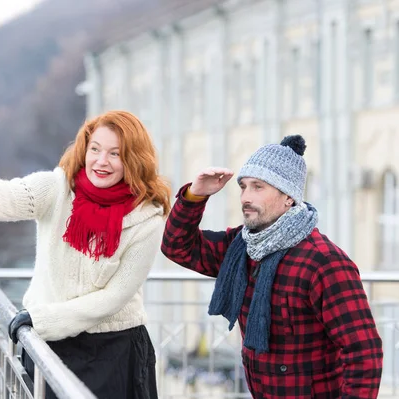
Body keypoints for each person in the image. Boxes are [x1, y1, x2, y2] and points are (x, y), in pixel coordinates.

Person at [0, 110, 170, 399]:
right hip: (49, 344)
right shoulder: (58, 188)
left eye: (116, 154)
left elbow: (115, 296)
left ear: (134, 160)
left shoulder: (146, 217)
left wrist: (43, 319)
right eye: (95, 149)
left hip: (114, 348)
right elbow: (12, 197)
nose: (101, 161)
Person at [161, 135, 383, 398]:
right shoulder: (240, 247)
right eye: (243, 186)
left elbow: (364, 352)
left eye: (258, 187)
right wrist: (195, 196)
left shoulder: (324, 262)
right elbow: (177, 246)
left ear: (288, 196)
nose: (245, 197)